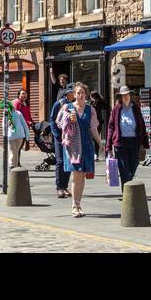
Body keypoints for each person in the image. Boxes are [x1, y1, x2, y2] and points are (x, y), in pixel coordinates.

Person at [56, 82, 103, 218]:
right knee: (76, 174)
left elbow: (93, 128)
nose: (80, 95)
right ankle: (74, 206)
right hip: (73, 146)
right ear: (74, 95)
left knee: (82, 176)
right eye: (78, 93)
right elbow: (59, 123)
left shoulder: (90, 110)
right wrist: (68, 119)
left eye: (83, 93)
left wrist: (100, 143)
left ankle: (78, 203)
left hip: (86, 144)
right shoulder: (67, 107)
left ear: (86, 94)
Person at [106, 86, 148, 185]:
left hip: (134, 141)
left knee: (134, 164)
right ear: (120, 97)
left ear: (130, 95)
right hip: (120, 142)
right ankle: (126, 193)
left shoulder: (136, 108)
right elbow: (111, 127)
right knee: (124, 168)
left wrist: (145, 142)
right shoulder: (116, 109)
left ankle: (128, 183)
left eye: (127, 95)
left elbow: (142, 124)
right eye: (123, 95)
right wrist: (108, 146)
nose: (125, 97)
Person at [49, 91, 71, 197]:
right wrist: (57, 135)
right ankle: (59, 187)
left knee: (68, 161)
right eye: (72, 92)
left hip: (70, 137)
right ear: (67, 93)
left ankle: (65, 186)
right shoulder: (59, 103)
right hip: (59, 137)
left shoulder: (75, 103)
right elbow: (52, 120)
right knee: (60, 161)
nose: (74, 94)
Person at [5, 98, 30, 168]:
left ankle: (12, 166)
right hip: (20, 135)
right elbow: (24, 124)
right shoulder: (18, 113)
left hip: (11, 135)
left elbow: (3, 125)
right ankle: (14, 166)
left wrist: (4, 135)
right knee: (15, 151)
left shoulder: (7, 114)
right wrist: (27, 134)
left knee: (12, 151)